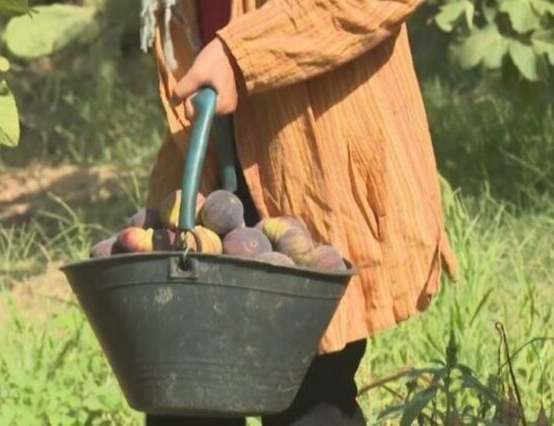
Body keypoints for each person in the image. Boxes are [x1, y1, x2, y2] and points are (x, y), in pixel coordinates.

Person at [140, 0, 460, 424]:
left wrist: (244, 52)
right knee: (186, 396)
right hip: (209, 150)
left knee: (310, 392)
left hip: (308, 155)